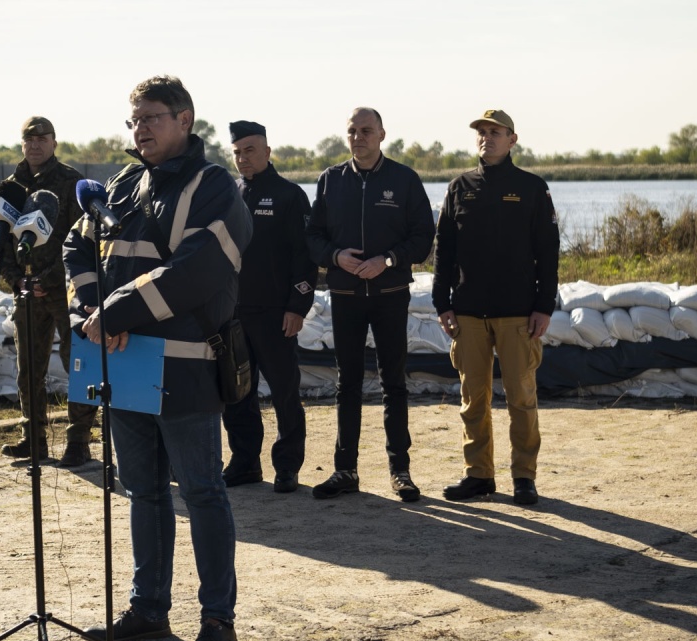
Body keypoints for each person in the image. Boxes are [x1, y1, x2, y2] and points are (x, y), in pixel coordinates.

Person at [64, 76, 251, 641]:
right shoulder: (122, 185)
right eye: (134, 119)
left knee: (201, 493)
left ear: (186, 118)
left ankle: (218, 621)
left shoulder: (216, 187)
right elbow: (77, 247)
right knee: (142, 491)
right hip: (124, 365)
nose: (140, 128)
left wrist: (114, 311)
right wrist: (91, 313)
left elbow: (196, 272)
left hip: (187, 370)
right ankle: (149, 609)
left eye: (152, 118)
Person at [305, 107, 434, 502]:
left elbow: (423, 237)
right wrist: (335, 257)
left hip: (390, 296)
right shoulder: (331, 180)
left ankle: (401, 471)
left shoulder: (404, 179)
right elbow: (312, 237)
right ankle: (345, 470)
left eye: (366, 130)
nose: (358, 137)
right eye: (352, 131)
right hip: (345, 296)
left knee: (394, 382)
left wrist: (389, 260)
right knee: (347, 384)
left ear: (381, 135)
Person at [432, 109, 560, 505]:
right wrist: (442, 303)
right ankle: (479, 475)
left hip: (518, 313)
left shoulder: (532, 188)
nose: (487, 137)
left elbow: (548, 252)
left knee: (521, 398)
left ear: (512, 139)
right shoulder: (460, 187)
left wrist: (543, 306)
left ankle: (524, 476)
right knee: (474, 398)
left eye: (495, 132)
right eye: (482, 132)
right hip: (468, 312)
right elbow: (444, 251)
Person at [0, 116, 98, 467]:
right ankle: (33, 439)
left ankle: (78, 441)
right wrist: (18, 280)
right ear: (22, 144)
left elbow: (78, 238)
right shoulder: (10, 187)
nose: (36, 145)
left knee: (77, 365)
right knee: (29, 369)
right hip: (25, 290)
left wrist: (48, 279)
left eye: (43, 139)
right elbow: (2, 242)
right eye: (30, 139)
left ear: (54, 142)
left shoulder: (71, 182)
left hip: (64, 290)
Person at [220, 120, 316, 494]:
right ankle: (245, 464)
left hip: (276, 315)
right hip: (233, 314)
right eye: (237, 152)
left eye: (250, 150)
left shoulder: (290, 196)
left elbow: (304, 258)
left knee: (284, 393)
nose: (243, 158)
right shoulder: (229, 195)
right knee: (237, 394)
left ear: (267, 152)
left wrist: (298, 306)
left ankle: (287, 467)